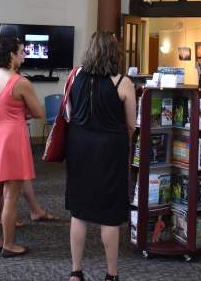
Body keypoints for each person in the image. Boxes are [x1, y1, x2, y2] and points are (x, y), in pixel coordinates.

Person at [66, 32, 136, 281]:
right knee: (110, 214)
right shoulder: (123, 82)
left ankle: (76, 271)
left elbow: (70, 113)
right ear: (115, 52)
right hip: (110, 148)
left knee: (79, 211)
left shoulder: (75, 77)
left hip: (78, 145)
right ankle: (111, 275)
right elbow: (131, 124)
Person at [0, 37, 43, 257]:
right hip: (13, 136)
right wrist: (24, 110)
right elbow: (39, 113)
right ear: (11, 55)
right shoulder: (20, 81)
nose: (24, 55)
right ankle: (9, 244)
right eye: (22, 51)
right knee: (11, 194)